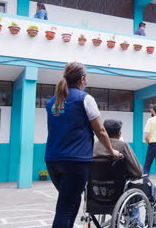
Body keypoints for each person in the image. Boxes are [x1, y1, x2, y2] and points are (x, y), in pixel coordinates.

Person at [45, 62, 120, 228]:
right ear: (82, 79)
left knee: (72, 199)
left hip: (52, 160)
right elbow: (100, 130)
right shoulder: (85, 99)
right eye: (86, 78)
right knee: (65, 207)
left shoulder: (52, 101)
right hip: (75, 161)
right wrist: (111, 150)